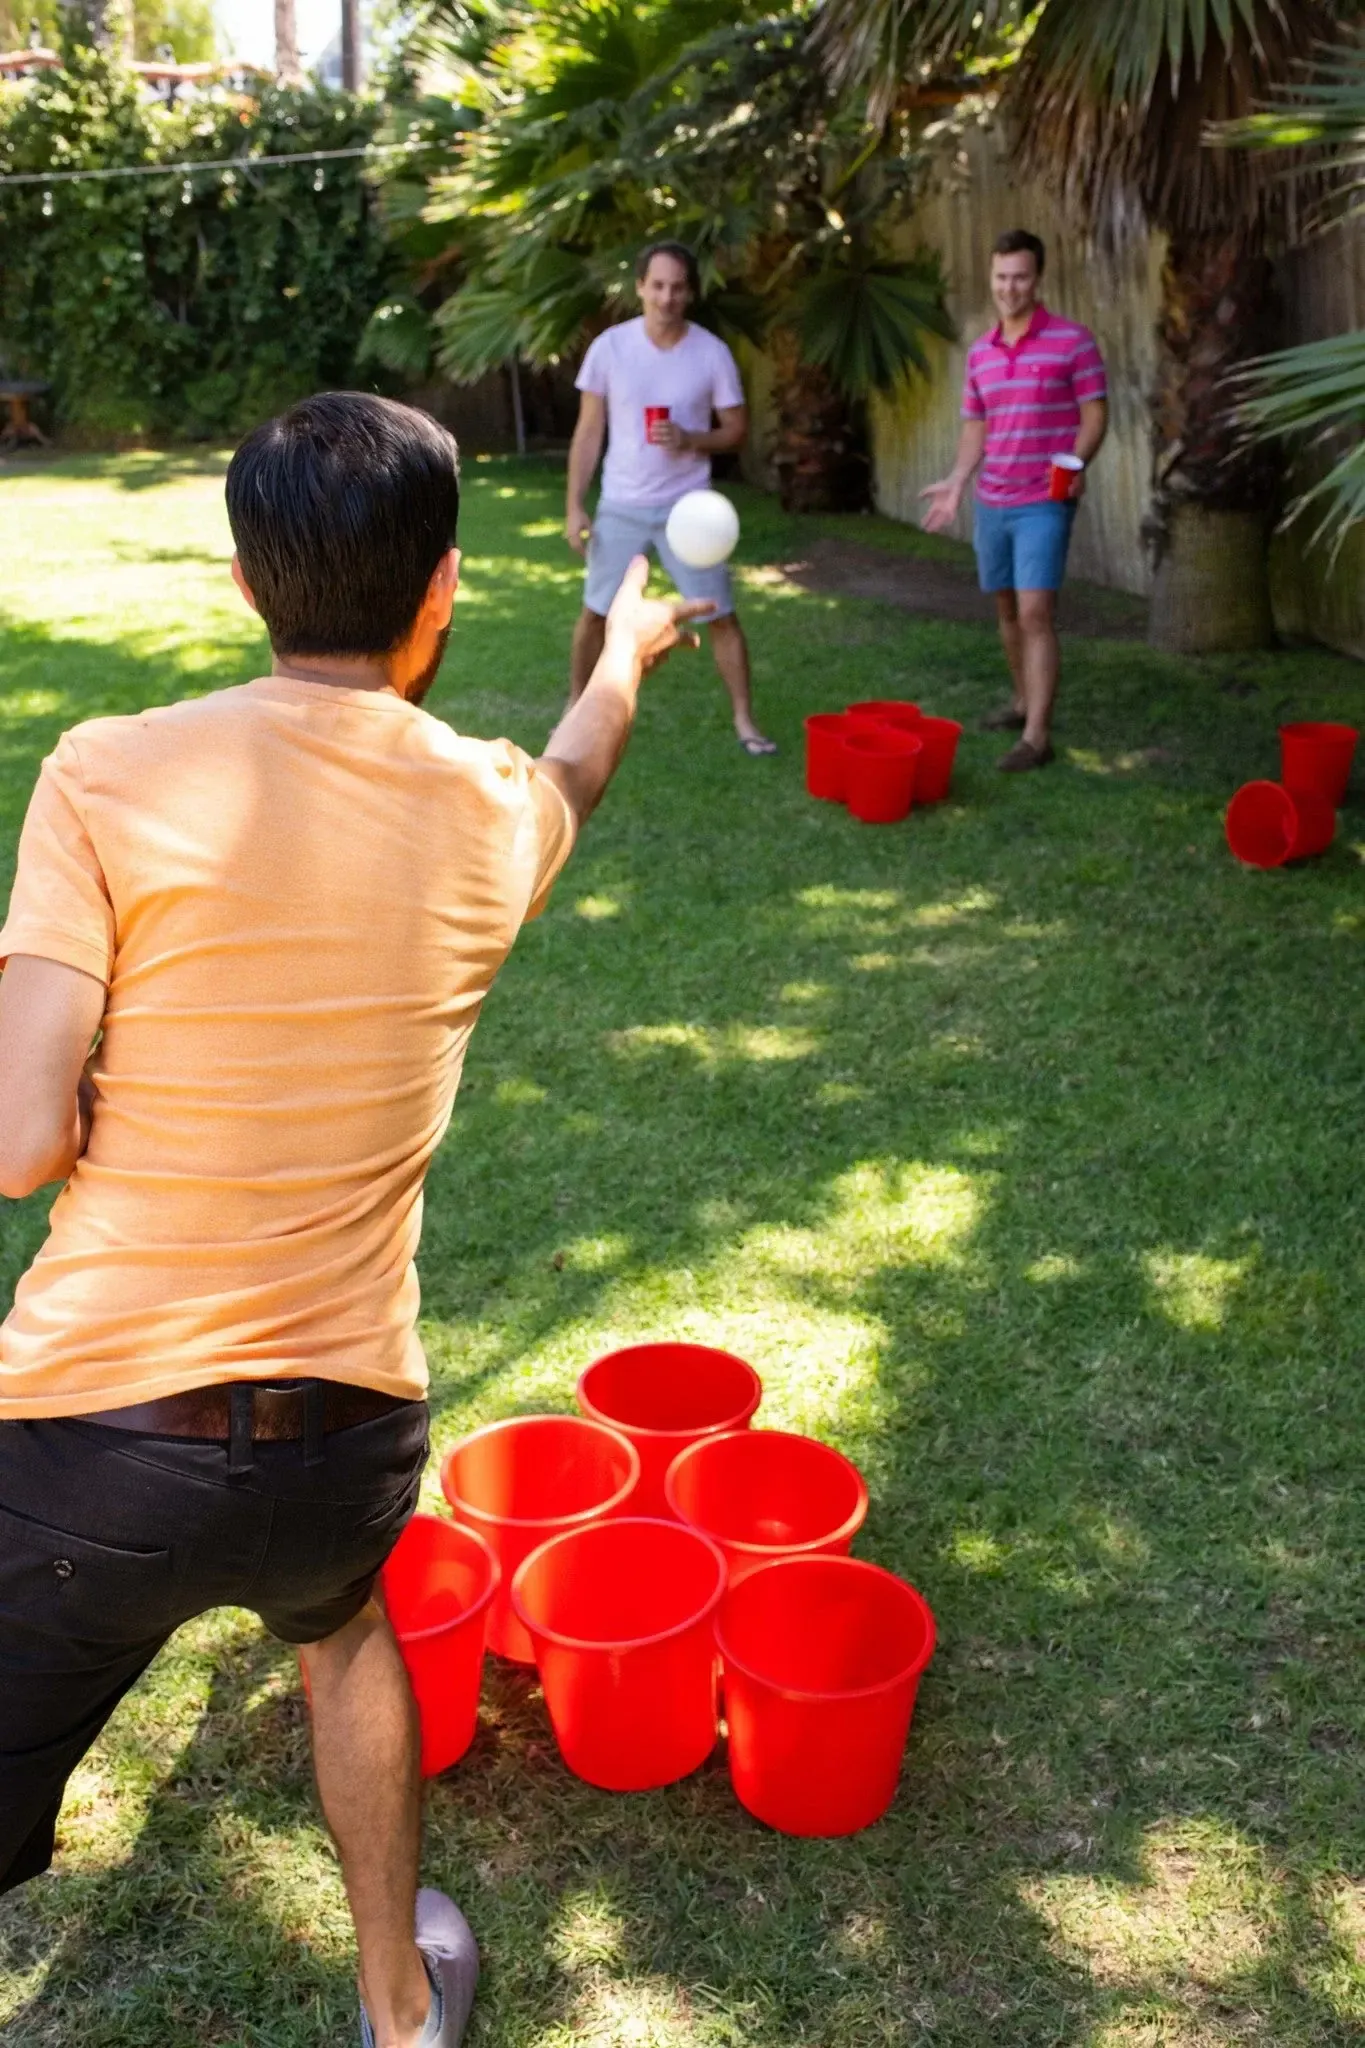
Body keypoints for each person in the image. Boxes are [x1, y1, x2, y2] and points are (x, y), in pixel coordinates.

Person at [0, 392, 710, 2048]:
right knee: (340, 1623)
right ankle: (402, 2006)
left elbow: (20, 1138)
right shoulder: (482, 805)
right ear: (443, 586)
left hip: (89, 1438)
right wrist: (625, 659)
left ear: (249, 580)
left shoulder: (104, 773)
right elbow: (576, 770)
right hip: (345, 1442)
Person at [565, 239, 776, 757]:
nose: (666, 297)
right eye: (657, 286)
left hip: (691, 511)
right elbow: (589, 432)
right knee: (595, 614)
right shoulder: (610, 349)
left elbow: (736, 430)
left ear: (690, 293)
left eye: (677, 287)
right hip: (621, 504)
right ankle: (573, 707)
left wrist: (690, 438)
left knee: (721, 615)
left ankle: (746, 721)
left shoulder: (711, 352)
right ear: (640, 287)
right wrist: (574, 505)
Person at [920, 229, 1108, 771]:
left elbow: (1095, 412)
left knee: (1035, 611)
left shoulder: (1073, 341)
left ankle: (1036, 737)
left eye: (1020, 277)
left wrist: (1076, 462)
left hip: (1043, 500)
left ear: (1038, 278)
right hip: (992, 499)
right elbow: (976, 424)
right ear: (992, 278)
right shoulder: (980, 353)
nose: (1010, 287)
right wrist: (958, 480)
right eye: (1002, 277)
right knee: (1005, 607)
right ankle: (1022, 698)